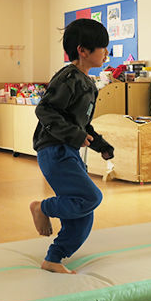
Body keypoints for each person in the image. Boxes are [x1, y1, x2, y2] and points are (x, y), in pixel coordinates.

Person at [29, 19, 115, 274]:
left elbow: (80, 124)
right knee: (91, 197)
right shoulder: (68, 78)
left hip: (68, 149)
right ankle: (42, 207)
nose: (107, 53)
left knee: (83, 214)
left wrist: (100, 145)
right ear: (83, 50)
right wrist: (74, 135)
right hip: (53, 150)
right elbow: (45, 109)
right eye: (102, 47)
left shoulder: (87, 82)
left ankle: (53, 259)